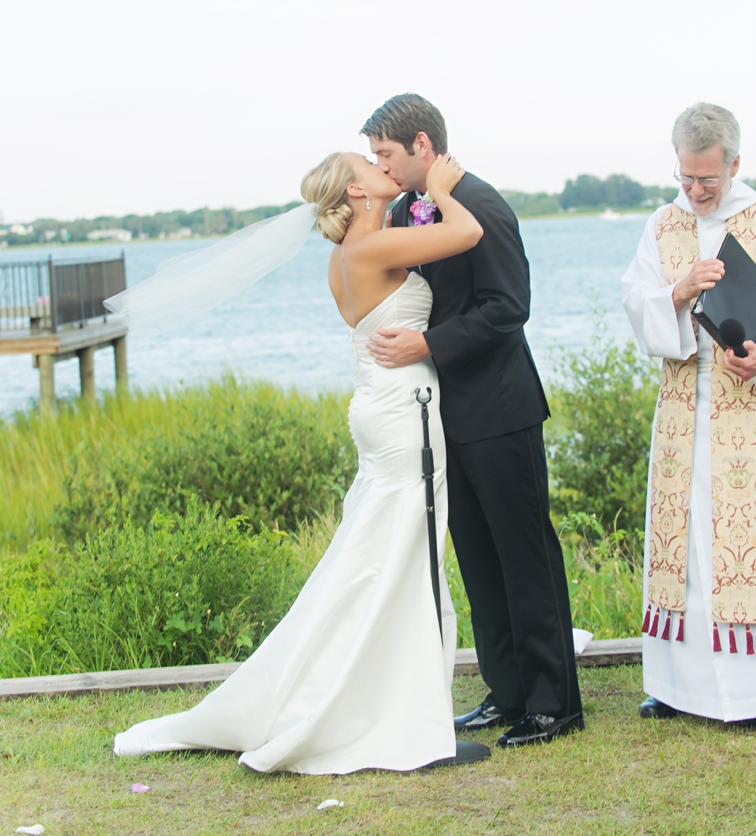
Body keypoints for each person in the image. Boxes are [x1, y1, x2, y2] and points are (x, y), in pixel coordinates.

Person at [114, 149, 491, 773]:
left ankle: (397, 703)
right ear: (356, 191)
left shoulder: (344, 257)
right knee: (401, 556)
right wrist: (446, 189)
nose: (381, 167)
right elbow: (468, 232)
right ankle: (405, 721)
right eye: (365, 165)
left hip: (379, 406)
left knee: (381, 554)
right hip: (402, 413)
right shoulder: (372, 248)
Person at [361, 94, 583, 747]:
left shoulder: (483, 205)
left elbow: (508, 307)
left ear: (423, 146)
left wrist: (427, 346)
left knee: (524, 557)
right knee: (479, 561)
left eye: (387, 155)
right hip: (440, 417)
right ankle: (507, 690)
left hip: (502, 409)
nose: (382, 166)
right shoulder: (408, 209)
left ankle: (554, 703)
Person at [622, 102, 756, 722]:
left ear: (735, 164)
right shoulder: (662, 223)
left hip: (748, 406)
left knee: (743, 541)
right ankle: (680, 688)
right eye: (686, 177)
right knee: (687, 545)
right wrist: (678, 292)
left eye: (708, 178)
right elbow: (636, 303)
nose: (697, 191)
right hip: (683, 402)